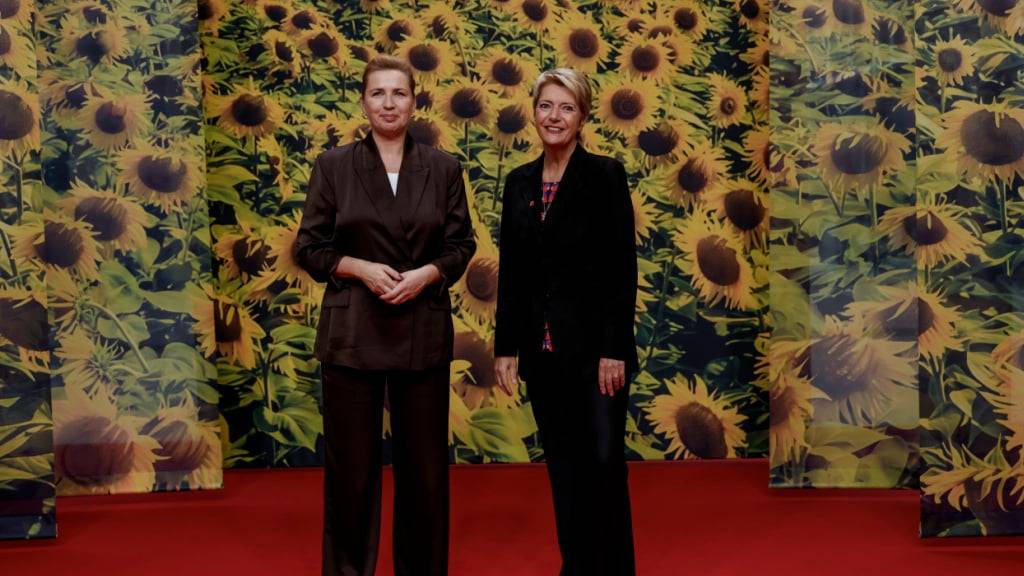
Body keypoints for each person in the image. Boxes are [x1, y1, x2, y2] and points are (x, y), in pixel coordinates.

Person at [295, 54, 475, 576]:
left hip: (422, 330)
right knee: (351, 473)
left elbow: (462, 244)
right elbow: (310, 249)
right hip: (354, 335)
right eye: (379, 93)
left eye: (399, 93)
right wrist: (358, 268)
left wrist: (429, 274)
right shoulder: (333, 166)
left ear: (414, 101)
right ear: (363, 102)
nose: (389, 103)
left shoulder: (443, 168)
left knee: (423, 474)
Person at [494, 68, 639, 576]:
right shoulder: (518, 183)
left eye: (566, 107)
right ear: (534, 112)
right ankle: (576, 567)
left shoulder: (604, 175)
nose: (554, 117)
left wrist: (614, 349)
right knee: (563, 468)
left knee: (602, 464)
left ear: (582, 116)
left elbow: (622, 268)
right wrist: (506, 347)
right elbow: (512, 271)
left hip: (598, 353)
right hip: (542, 351)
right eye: (546, 106)